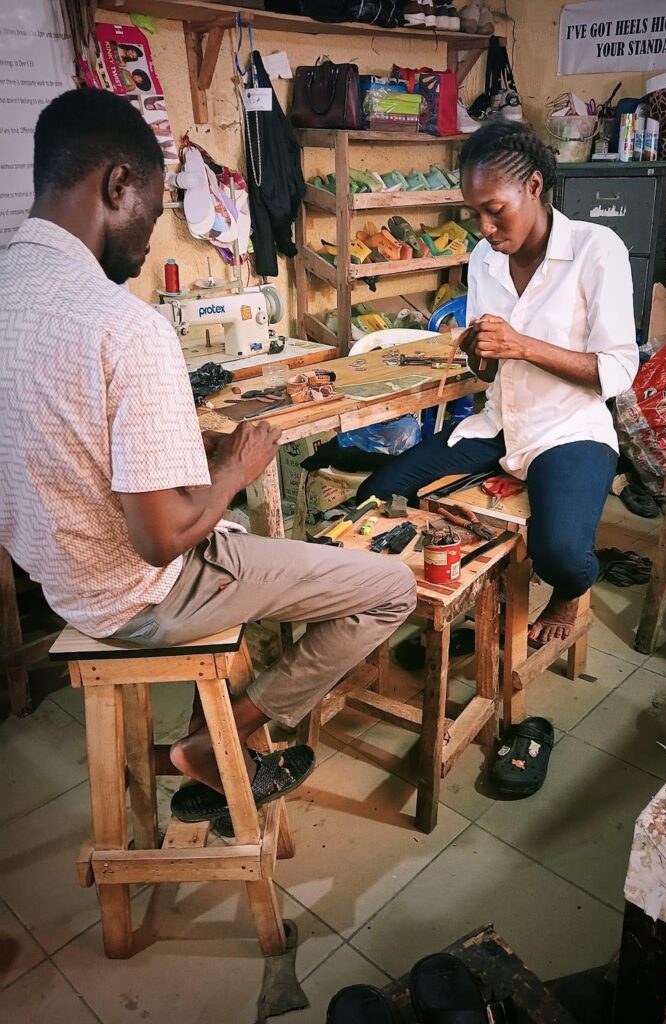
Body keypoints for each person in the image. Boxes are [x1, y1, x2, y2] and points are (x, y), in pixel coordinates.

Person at [0, 89, 416, 825]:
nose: (148, 237)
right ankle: (211, 742)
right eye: (153, 214)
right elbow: (158, 540)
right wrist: (234, 472)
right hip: (144, 595)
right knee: (389, 588)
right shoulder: (124, 326)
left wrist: (180, 457)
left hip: (62, 583)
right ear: (116, 185)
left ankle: (209, 735)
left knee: (240, 523)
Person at [357, 121, 638, 645]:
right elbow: (488, 369)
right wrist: (478, 353)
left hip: (568, 429)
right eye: (474, 213)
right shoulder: (486, 260)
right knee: (376, 497)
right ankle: (421, 603)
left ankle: (569, 591)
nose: (484, 226)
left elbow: (617, 371)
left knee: (560, 556)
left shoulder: (595, 249)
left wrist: (520, 345)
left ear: (533, 186)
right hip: (499, 425)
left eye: (495, 209)